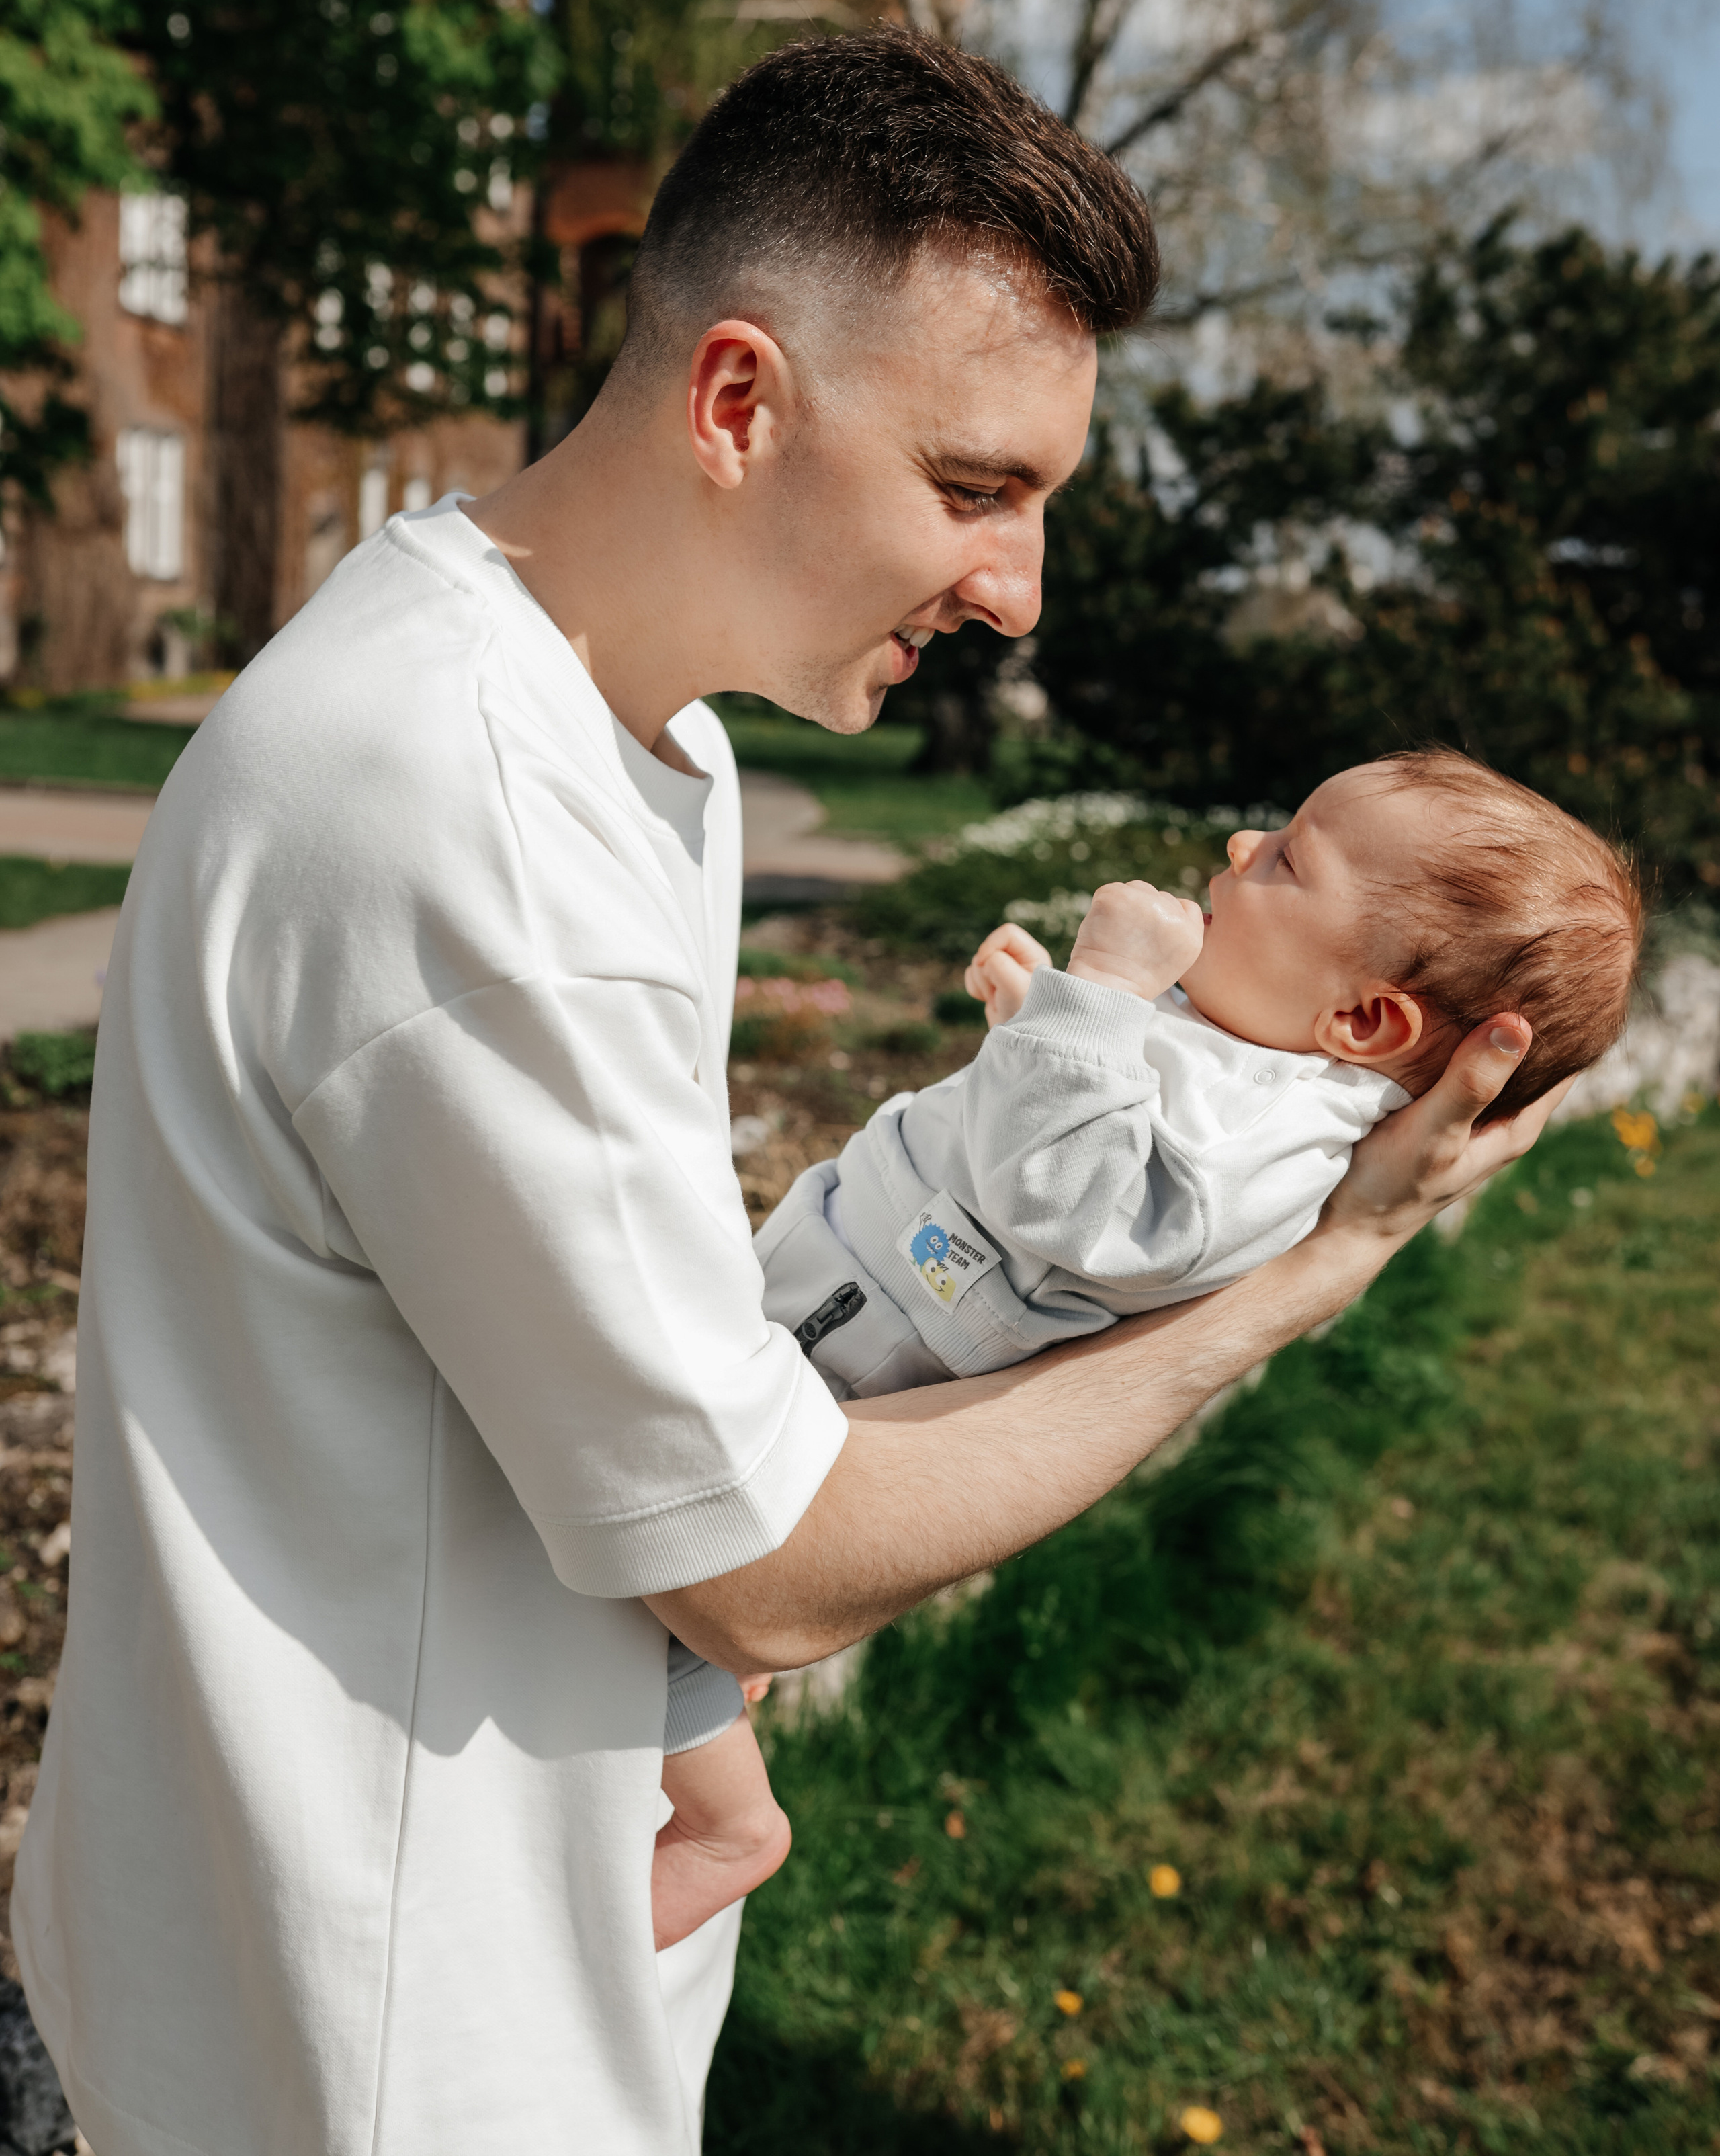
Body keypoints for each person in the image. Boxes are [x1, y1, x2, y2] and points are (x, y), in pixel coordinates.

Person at [16, 32, 1565, 2156]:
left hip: (484, 1932)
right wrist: (1301, 1285)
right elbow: (764, 1566)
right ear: (739, 401)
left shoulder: (648, 747)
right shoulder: (460, 812)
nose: (1020, 592)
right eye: (977, 488)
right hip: (387, 2026)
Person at [651, 750, 1641, 1946]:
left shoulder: (1271, 1136)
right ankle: (715, 1725)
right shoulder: (1250, 1048)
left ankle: (725, 1823)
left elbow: (1077, 1203)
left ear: (1365, 1020)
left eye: (1286, 859)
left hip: (852, 1365)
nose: (1238, 852)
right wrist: (1040, 1011)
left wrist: (1104, 989)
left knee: (655, 1587)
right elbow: (1090, 1115)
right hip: (843, 1305)